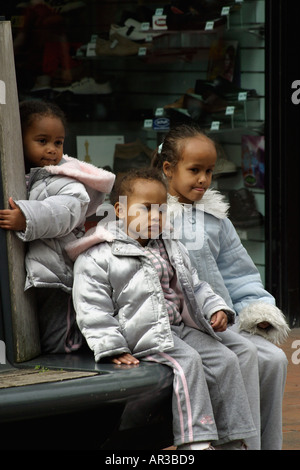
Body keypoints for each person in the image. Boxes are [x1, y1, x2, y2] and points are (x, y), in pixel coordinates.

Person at [69, 167, 257, 450]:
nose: (155, 217)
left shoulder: (169, 246)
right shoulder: (100, 254)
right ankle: (196, 440)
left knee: (225, 359)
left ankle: (234, 437)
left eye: (161, 210)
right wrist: (112, 346)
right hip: (141, 333)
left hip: (177, 329)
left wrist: (215, 308)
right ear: (119, 210)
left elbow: (195, 286)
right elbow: (91, 307)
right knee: (189, 363)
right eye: (146, 209)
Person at [152, 123, 290, 450]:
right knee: (246, 359)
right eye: (194, 170)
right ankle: (244, 444)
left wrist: (256, 310)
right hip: (180, 326)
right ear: (168, 169)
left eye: (209, 171)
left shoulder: (216, 219)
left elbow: (238, 273)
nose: (203, 179)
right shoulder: (149, 215)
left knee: (274, 360)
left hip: (222, 320)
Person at [0, 100, 115, 353]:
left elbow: (66, 211)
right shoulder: (19, 174)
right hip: (34, 272)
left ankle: (70, 365)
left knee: (59, 337)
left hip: (58, 273)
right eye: (42, 141)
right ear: (17, 140)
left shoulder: (64, 176)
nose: (52, 150)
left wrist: (27, 218)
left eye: (58, 142)